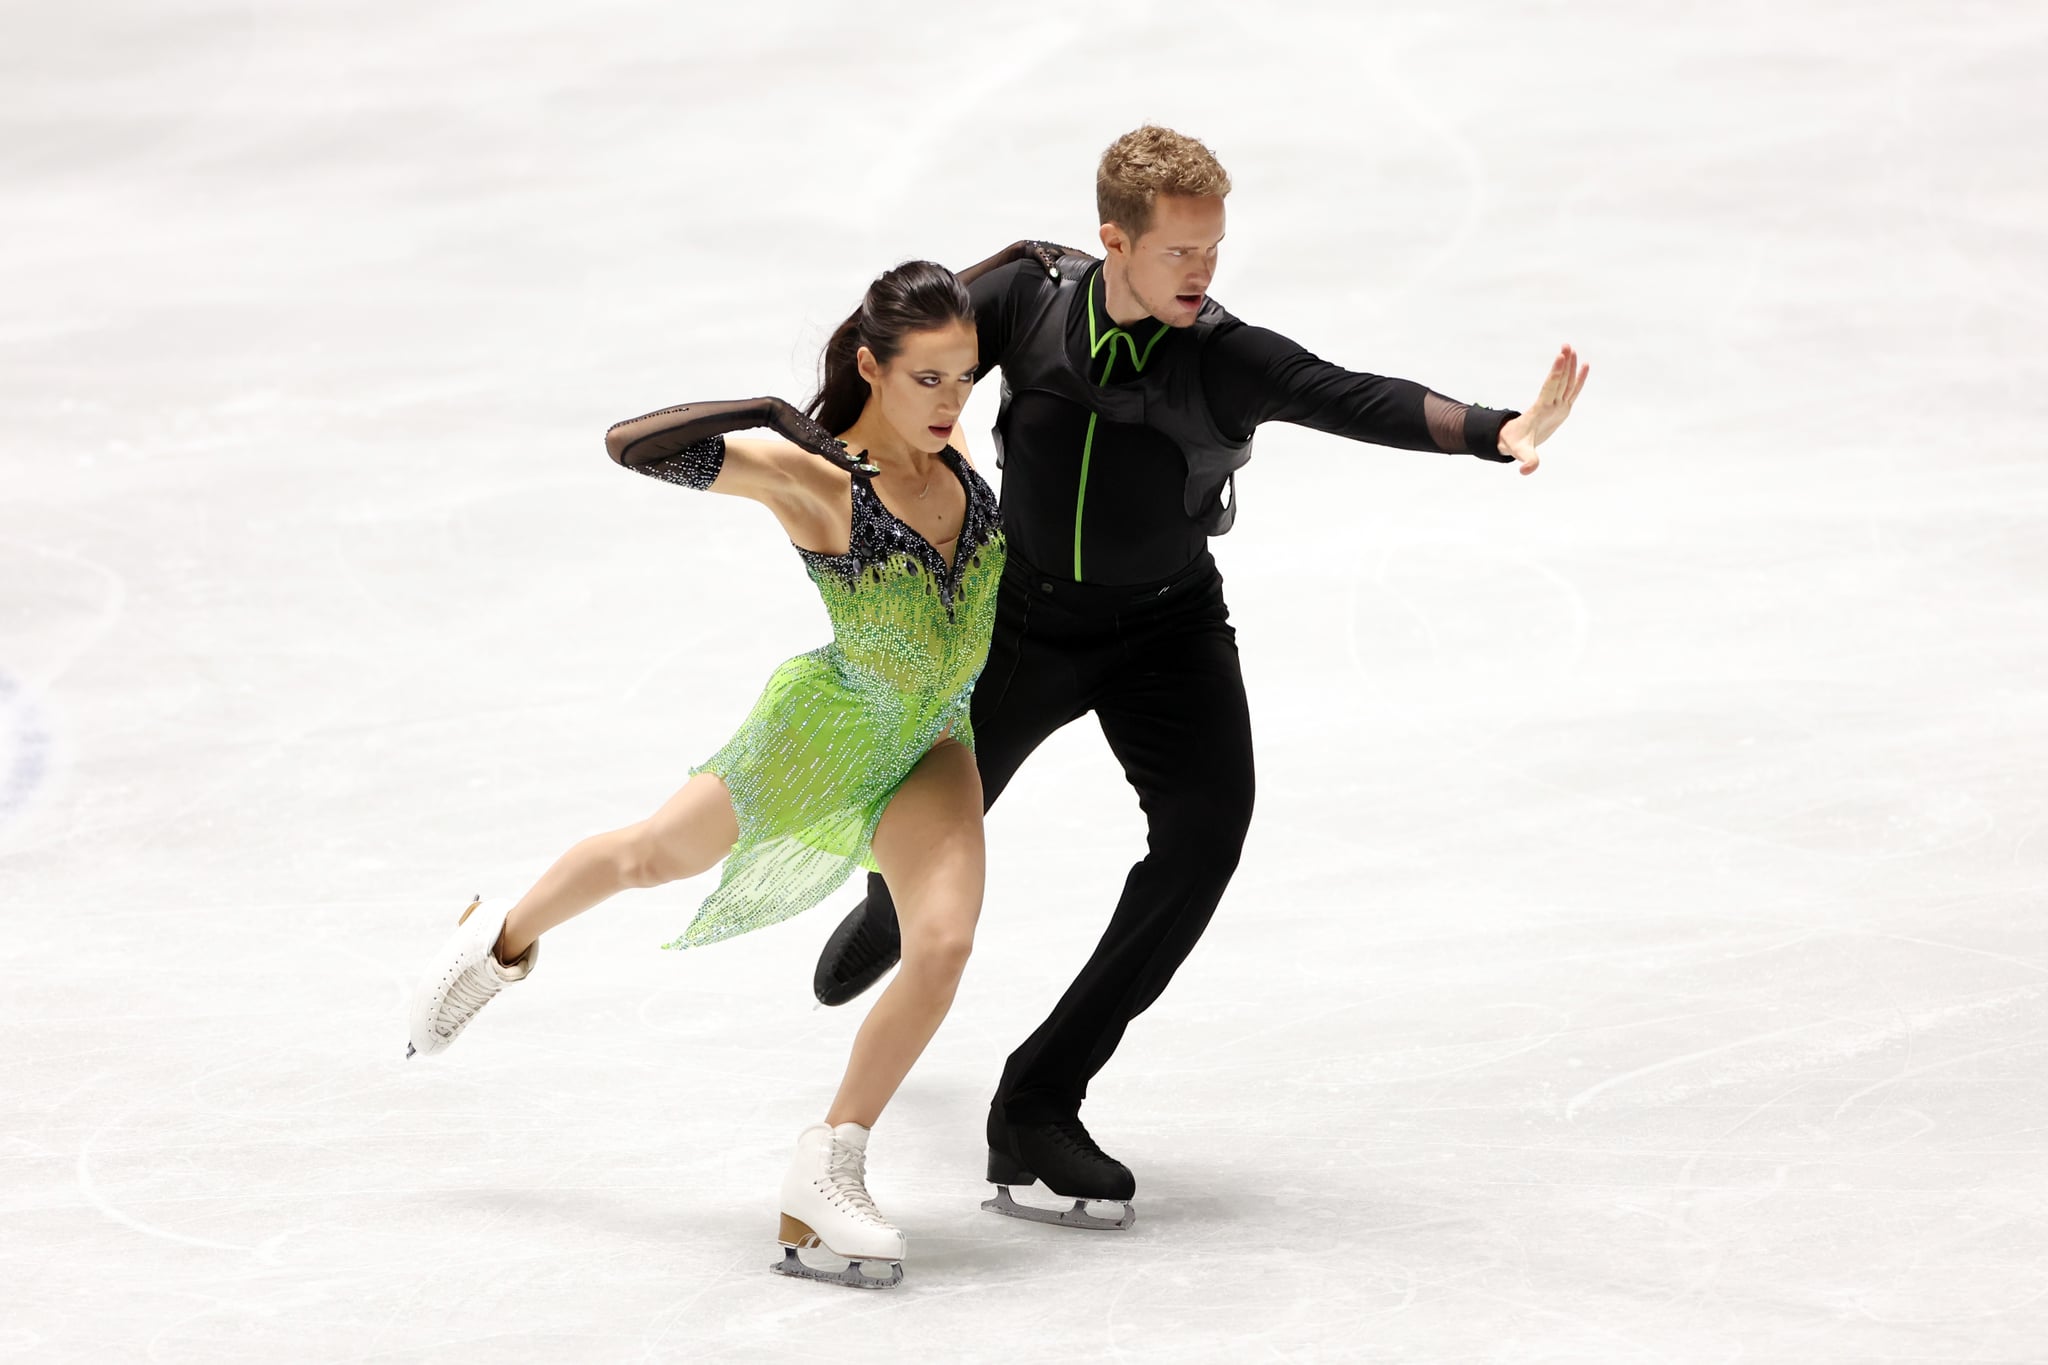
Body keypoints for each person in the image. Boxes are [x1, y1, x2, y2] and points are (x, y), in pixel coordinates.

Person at [810, 126, 1591, 1231]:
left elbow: (1344, 392)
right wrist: (818, 450)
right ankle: (890, 902)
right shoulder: (1026, 299)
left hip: (1166, 628)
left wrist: (1489, 430)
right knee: (933, 814)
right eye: (1178, 252)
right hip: (1021, 618)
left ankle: (1037, 1102)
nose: (1200, 275)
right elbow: (897, 348)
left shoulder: (1219, 355)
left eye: (1212, 251)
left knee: (1204, 833)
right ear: (1111, 242)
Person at [405, 261, 1009, 1290]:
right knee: (649, 857)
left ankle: (828, 1171)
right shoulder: (817, 481)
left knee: (942, 944)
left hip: (932, 742)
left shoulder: (946, 457)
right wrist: (771, 416)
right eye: (927, 381)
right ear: (870, 368)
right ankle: (496, 939)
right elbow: (630, 446)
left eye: (965, 379)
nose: (951, 404)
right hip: (823, 731)